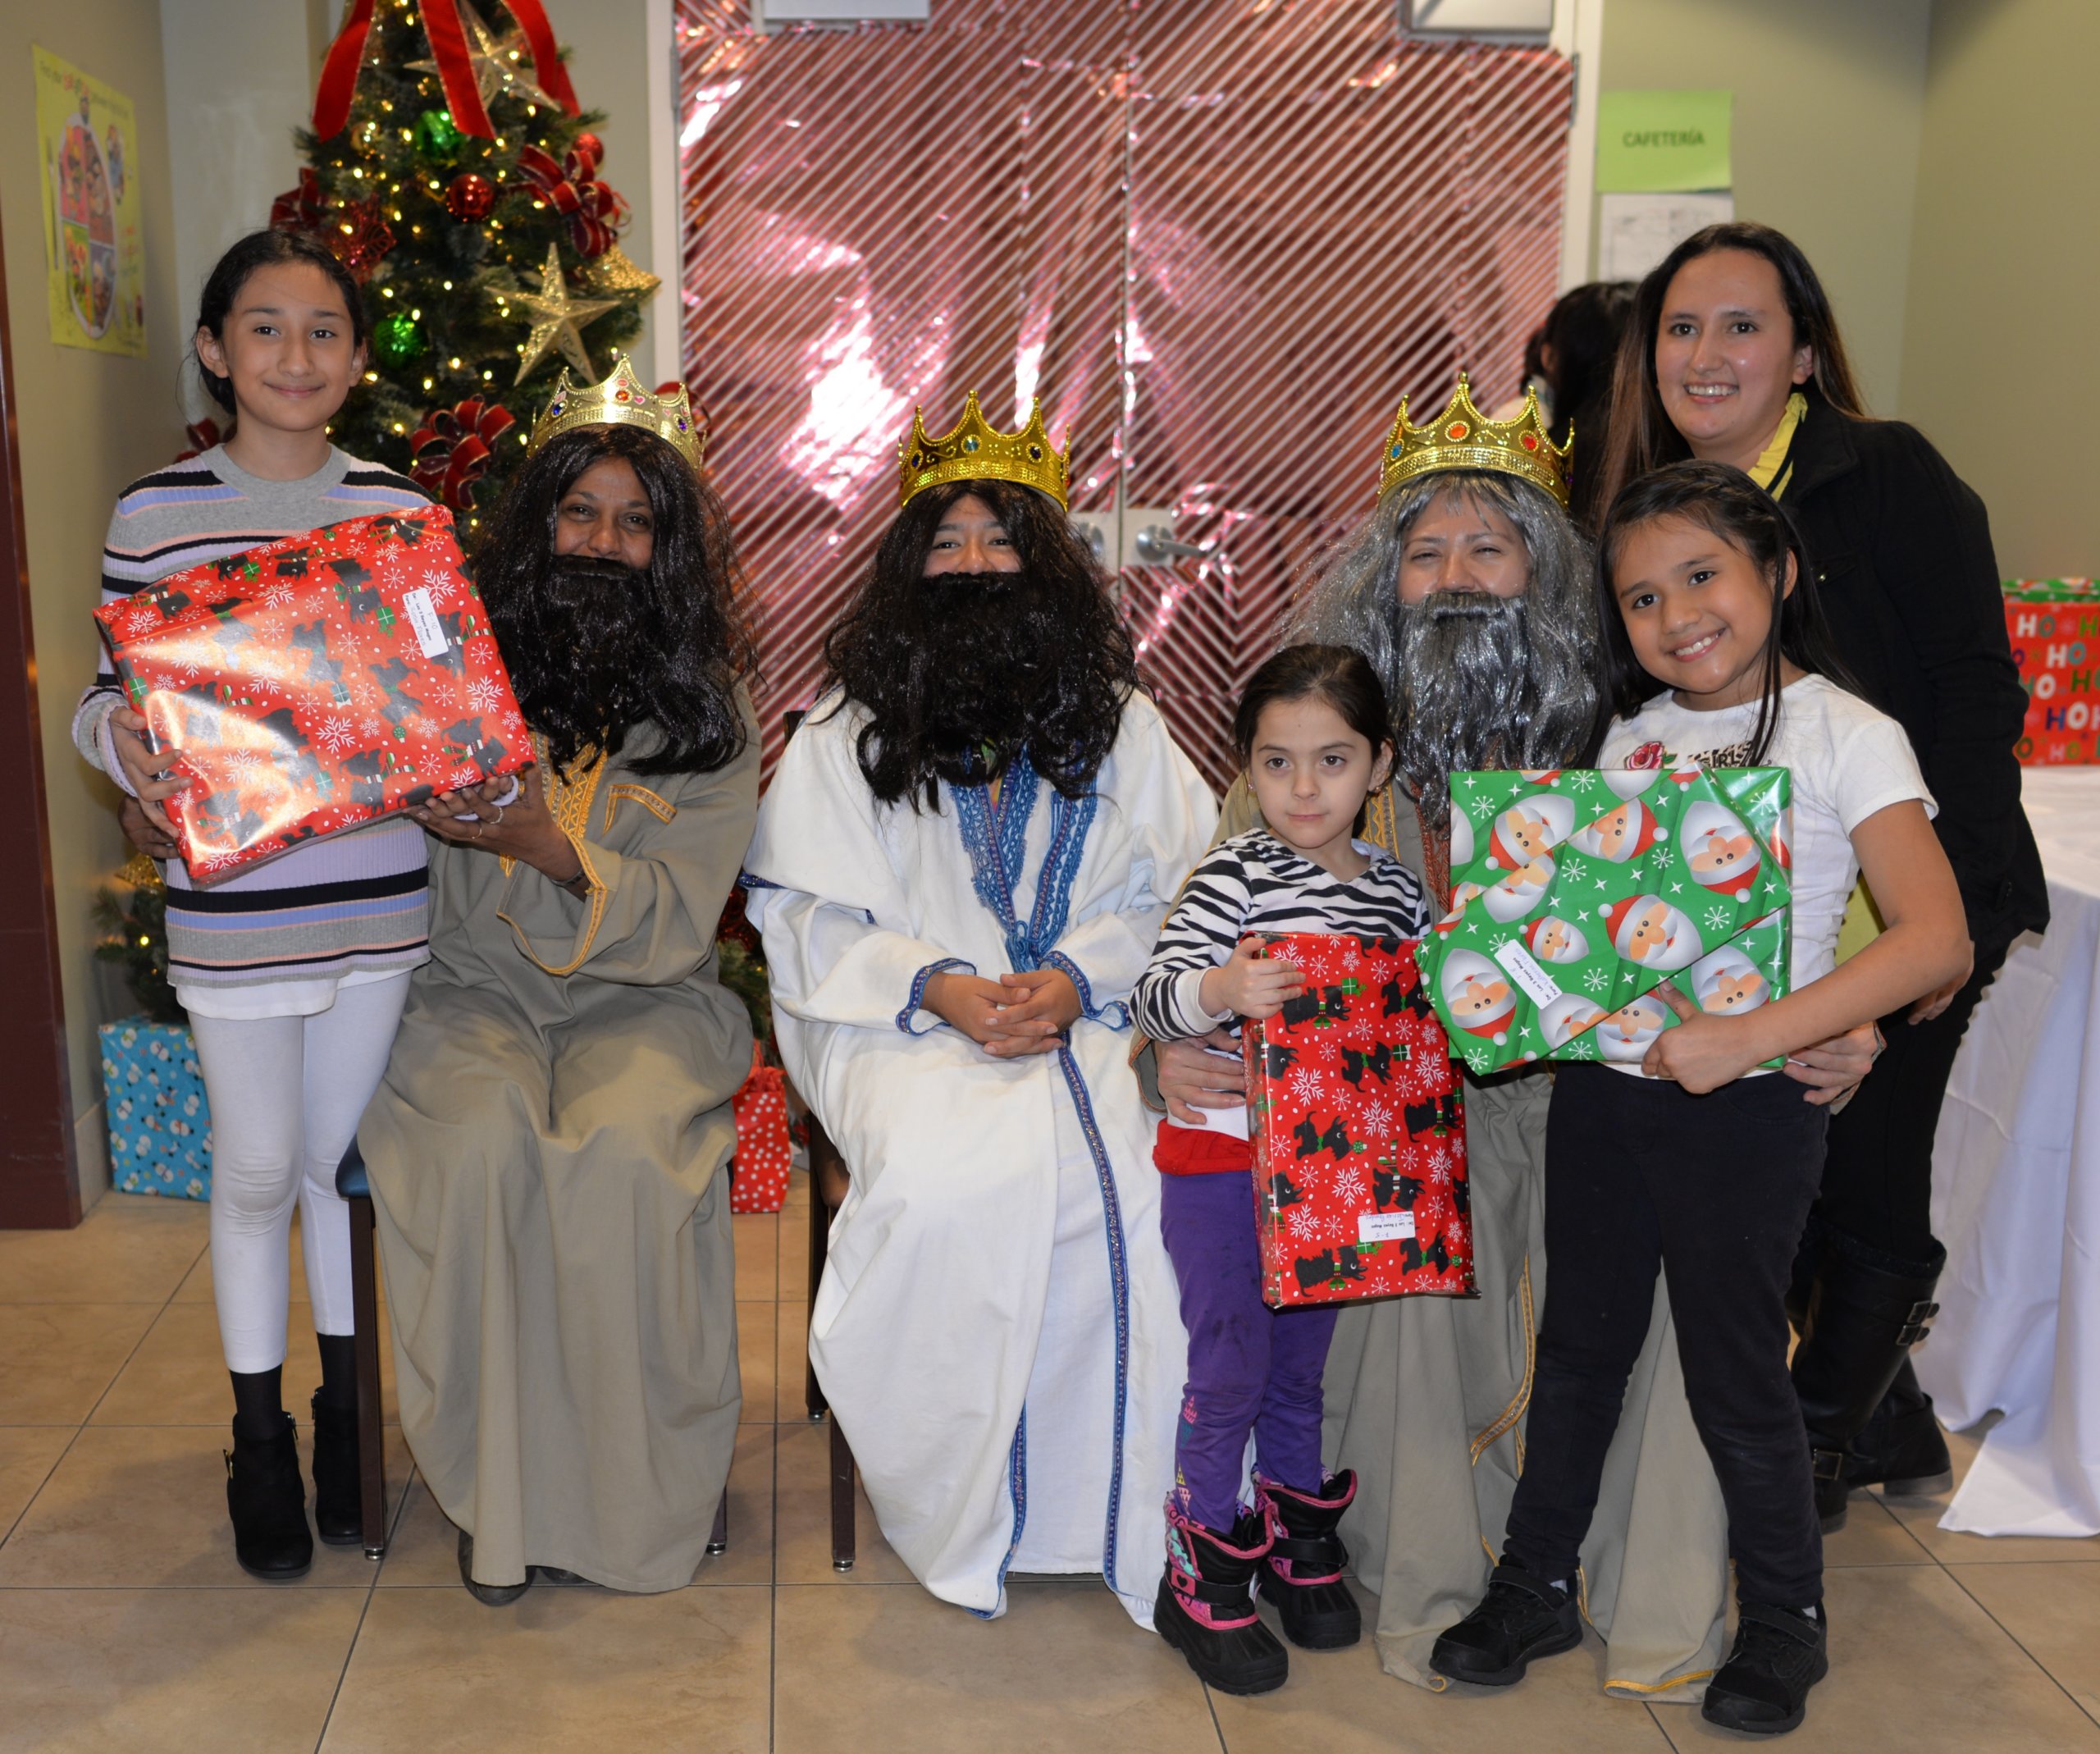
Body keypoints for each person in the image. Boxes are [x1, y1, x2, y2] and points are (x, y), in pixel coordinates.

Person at [1153, 379, 1875, 1697]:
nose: (1454, 579)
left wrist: (1848, 1025)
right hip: (1385, 1125)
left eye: (1489, 546)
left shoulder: (1640, 727)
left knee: (1665, 1307)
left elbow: (1783, 903)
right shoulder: (1314, 750)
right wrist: (1177, 1041)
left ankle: (1643, 1588)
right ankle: (1422, 1567)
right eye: (1423, 552)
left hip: (1611, 1093)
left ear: (1546, 573)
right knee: (1405, 1259)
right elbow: (1207, 935)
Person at [1432, 461, 1970, 1737]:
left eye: (1701, 576)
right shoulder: (1628, 737)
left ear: (1777, 571)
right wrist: (1493, 952)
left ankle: (1787, 1617)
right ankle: (1536, 1581)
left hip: (1748, 1111)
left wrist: (1764, 1038)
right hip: (1605, 1100)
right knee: (1580, 1354)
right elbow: (1585, 930)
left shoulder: (1851, 732)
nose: (1675, 615)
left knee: (1736, 1374)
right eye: (1638, 597)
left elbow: (1936, 938)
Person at [1596, 222, 2043, 1525]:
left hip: (1916, 883)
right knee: (1780, 1163)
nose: (1709, 352)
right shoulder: (1651, 507)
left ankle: (1812, 1454)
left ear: (1802, 352)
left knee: (1865, 1172)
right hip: (1763, 898)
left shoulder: (1886, 471)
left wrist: (1919, 930)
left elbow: (1973, 688)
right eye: (1683, 327)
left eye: (1743, 325)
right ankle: (1891, 1413)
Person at [742, 395, 1216, 1624]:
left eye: (998, 541)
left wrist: (1078, 973)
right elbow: (798, 913)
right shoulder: (846, 733)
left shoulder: (1126, 724)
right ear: (908, 568)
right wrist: (937, 986)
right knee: (958, 1184)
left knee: (1157, 1172)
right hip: (892, 1024)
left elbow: (1188, 889)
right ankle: (959, 1499)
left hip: (1099, 1013)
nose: (971, 566)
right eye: (944, 544)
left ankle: (1119, 1503)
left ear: (1045, 562)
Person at [356, 362, 760, 1601]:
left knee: (624, 1159)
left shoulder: (716, 712)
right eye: (580, 512)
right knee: (479, 1150)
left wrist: (538, 839)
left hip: (645, 999)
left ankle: (643, 1500)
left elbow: (684, 915)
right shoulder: (448, 669)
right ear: (538, 526)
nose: (605, 541)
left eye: (636, 523)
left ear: (670, 549)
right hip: (465, 993)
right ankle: (506, 1509)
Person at [74, 230, 429, 1580]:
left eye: (325, 328)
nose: (297, 354)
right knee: (255, 1163)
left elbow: (439, 687)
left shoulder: (398, 504)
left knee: (337, 1171)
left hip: (378, 900)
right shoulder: (154, 516)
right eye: (265, 328)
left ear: (354, 354)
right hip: (234, 901)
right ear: (217, 348)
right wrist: (127, 753)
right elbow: (112, 697)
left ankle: (350, 1425)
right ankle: (261, 1439)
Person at [1132, 645, 1431, 1695]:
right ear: (1245, 770)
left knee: (1299, 1371)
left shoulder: (1399, 895)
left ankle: (1297, 1536)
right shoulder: (1235, 872)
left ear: (1379, 763)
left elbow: (1422, 1029)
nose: (1304, 788)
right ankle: (1201, 1562)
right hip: (1220, 1162)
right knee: (1229, 1368)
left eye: (1333, 759)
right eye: (1276, 762)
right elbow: (1153, 996)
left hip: (1337, 1180)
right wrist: (1220, 985)